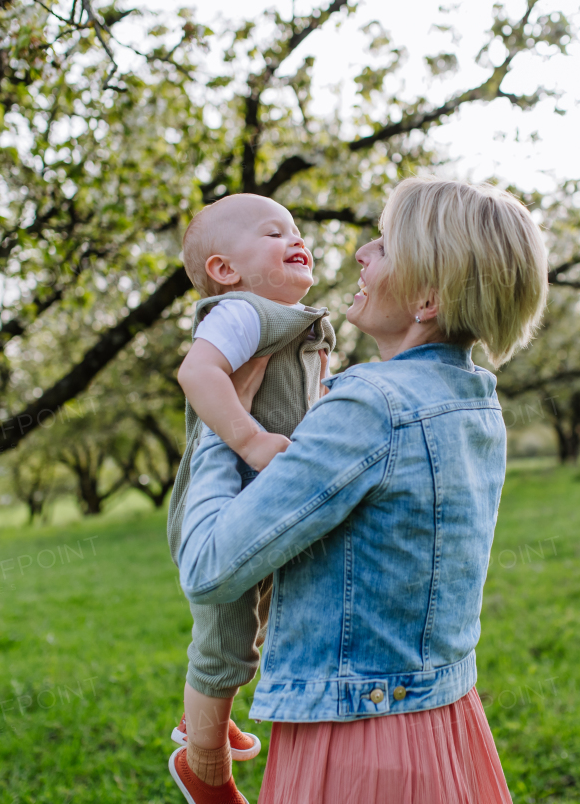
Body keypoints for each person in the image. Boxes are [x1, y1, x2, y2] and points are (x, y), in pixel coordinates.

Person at [176, 177, 549, 803]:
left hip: (355, 739)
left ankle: (204, 758)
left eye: (385, 245)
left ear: (427, 297)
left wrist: (221, 429)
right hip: (443, 719)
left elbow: (210, 569)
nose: (361, 254)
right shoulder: (475, 403)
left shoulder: (371, 406)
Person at [165, 193, 335, 804]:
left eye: (295, 228)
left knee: (252, 621)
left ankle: (206, 712)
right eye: (272, 232)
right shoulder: (237, 313)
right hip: (224, 500)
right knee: (226, 633)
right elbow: (197, 374)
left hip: (262, 501)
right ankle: (203, 765)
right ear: (224, 270)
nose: (296, 238)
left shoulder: (290, 321)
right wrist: (250, 437)